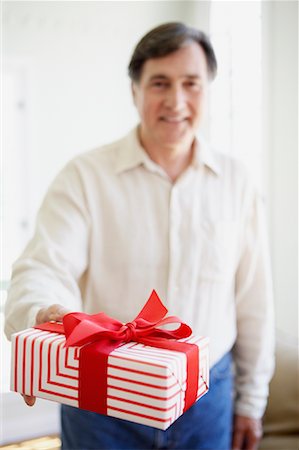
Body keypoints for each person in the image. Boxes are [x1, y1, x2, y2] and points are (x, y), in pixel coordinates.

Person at [5, 22, 274, 450]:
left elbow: (254, 300)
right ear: (134, 91)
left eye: (191, 83)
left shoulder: (237, 182)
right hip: (102, 395)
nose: (176, 101)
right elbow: (42, 265)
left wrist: (252, 402)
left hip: (208, 394)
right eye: (160, 83)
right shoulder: (84, 177)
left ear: (208, 89)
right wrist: (43, 314)